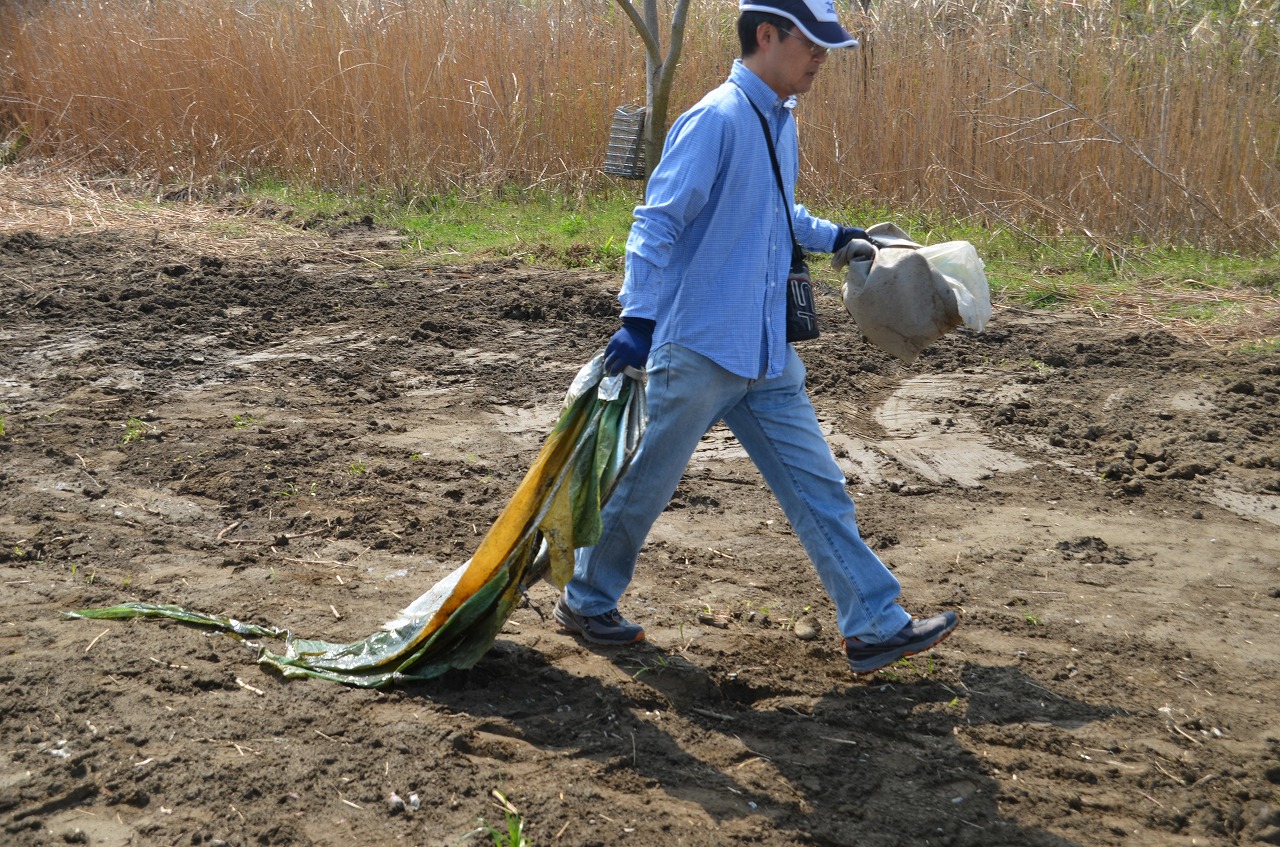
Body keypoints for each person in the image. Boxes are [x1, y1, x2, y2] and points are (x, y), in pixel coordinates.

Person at [553, 0, 958, 675]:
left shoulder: (778, 121)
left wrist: (835, 235)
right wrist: (638, 320)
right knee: (642, 486)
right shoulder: (716, 119)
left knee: (818, 486)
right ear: (766, 37)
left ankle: (874, 621)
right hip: (699, 347)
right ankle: (587, 598)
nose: (821, 58)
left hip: (766, 352)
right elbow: (655, 223)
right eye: (813, 44)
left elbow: (777, 211)